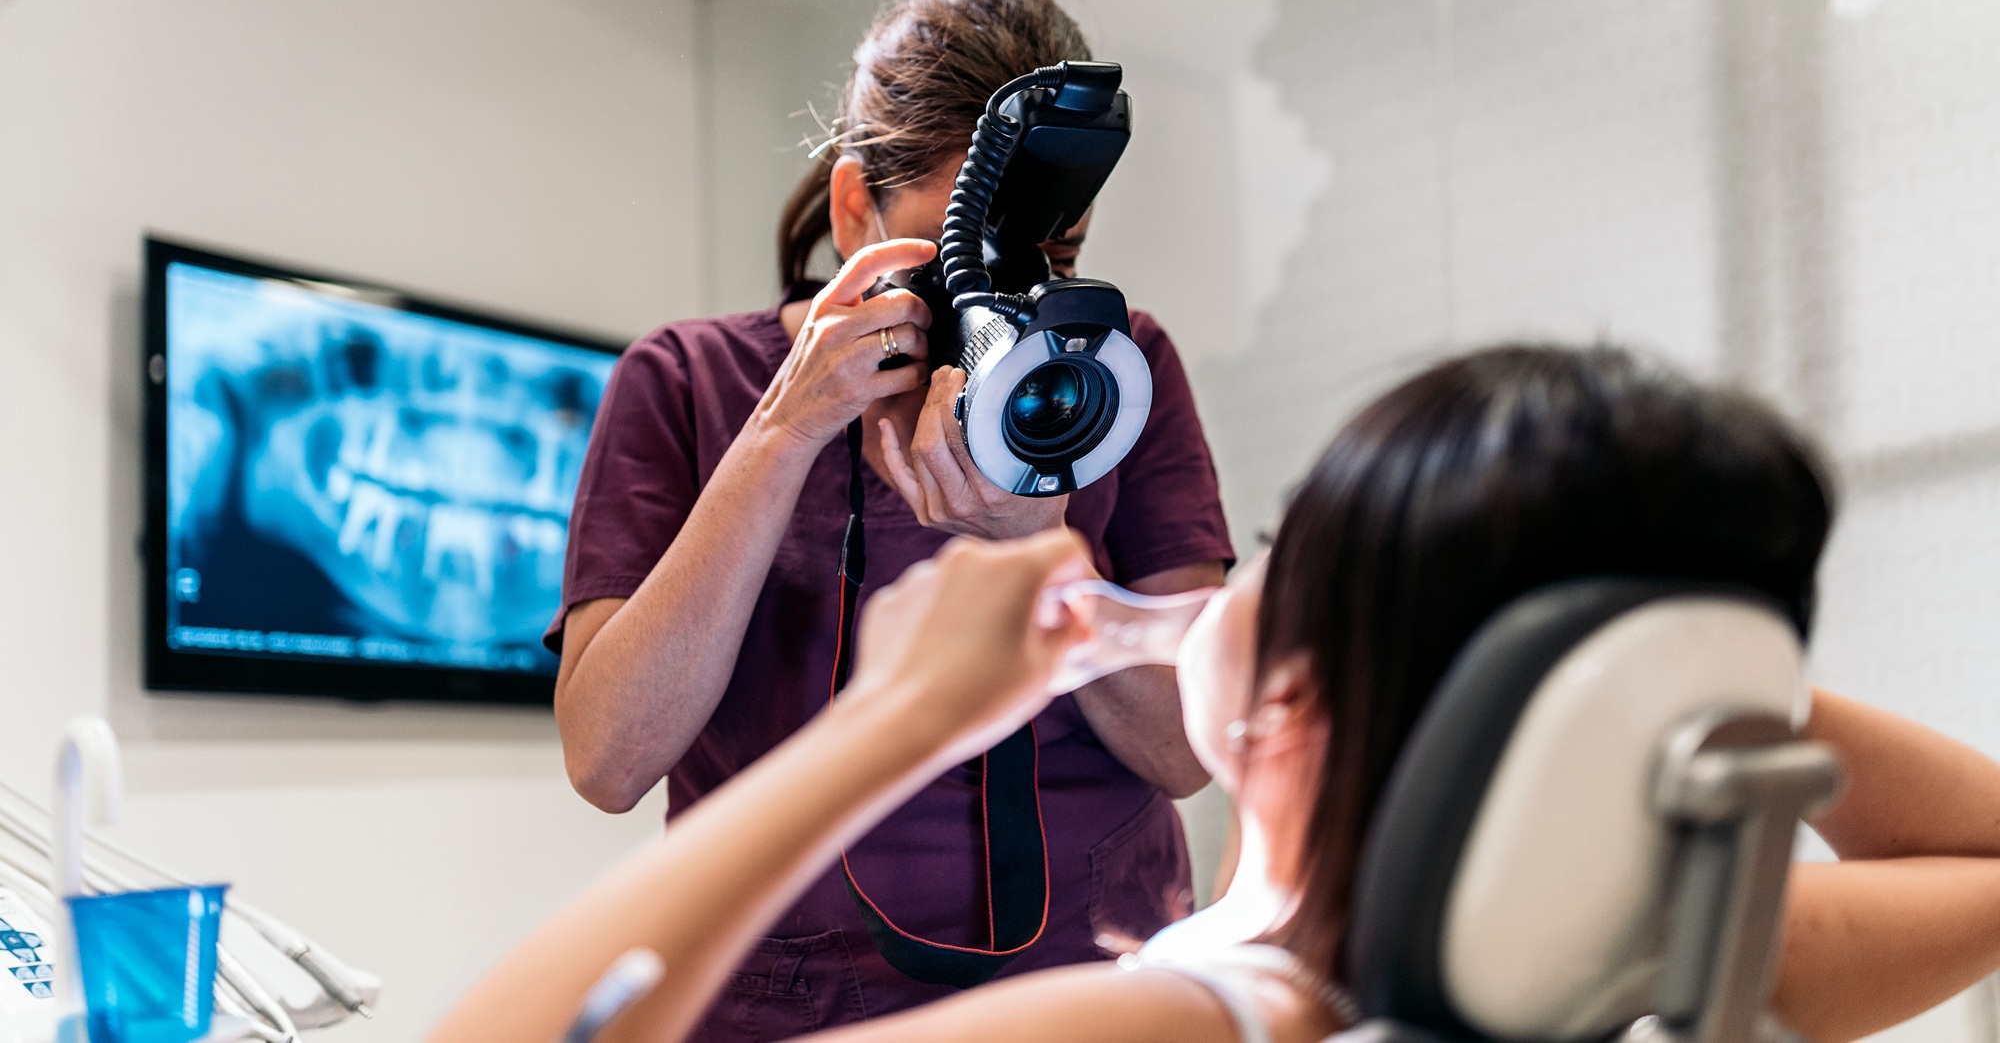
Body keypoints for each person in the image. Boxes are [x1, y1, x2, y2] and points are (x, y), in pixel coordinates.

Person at [440, 343, 2000, 1043]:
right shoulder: (1659, 951)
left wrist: (889, 722)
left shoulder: (1189, 1022)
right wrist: (1670, 682)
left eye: (1264, 550)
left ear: (1290, 702)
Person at [549, 0, 1233, 1035]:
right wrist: (781, 434)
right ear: (852, 208)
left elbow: (1193, 750)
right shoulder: (687, 381)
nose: (1003, 295)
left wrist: (1038, 549)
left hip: (1095, 987)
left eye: (1056, 258)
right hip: (780, 1004)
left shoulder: (1111, 369)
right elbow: (607, 758)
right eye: (964, 254)